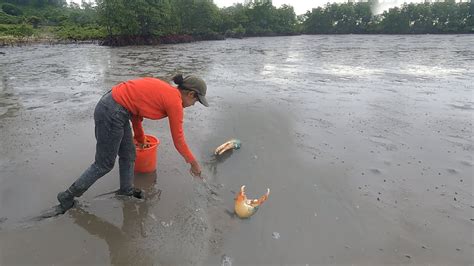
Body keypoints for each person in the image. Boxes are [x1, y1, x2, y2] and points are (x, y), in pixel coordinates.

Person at [57, 74, 208, 213]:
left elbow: (136, 112)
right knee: (104, 164)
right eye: (196, 101)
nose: (194, 104)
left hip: (116, 106)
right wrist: (193, 164)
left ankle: (126, 190)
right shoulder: (174, 101)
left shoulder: (167, 90)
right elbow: (179, 140)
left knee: (129, 154)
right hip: (112, 111)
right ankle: (67, 196)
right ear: (190, 94)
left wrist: (141, 138)